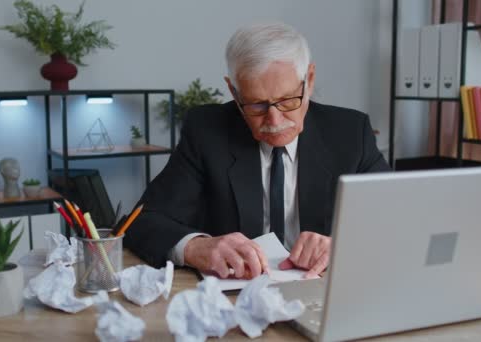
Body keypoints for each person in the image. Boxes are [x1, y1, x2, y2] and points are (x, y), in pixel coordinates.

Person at [125, 23, 391, 279]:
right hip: (235, 295)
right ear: (233, 91)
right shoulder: (206, 132)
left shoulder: (350, 133)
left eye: (288, 101)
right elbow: (142, 221)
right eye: (256, 105)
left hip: (321, 290)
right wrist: (196, 247)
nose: (274, 121)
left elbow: (396, 218)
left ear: (308, 80)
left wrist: (342, 246)